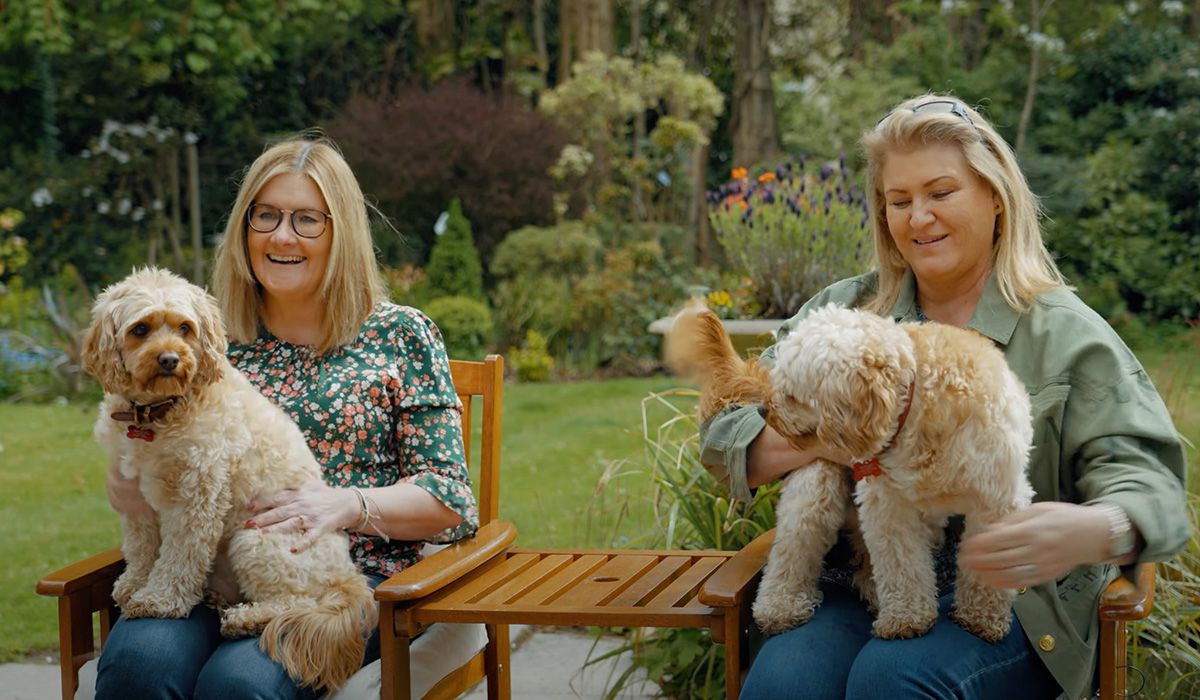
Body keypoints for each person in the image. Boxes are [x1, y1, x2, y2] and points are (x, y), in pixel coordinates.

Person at [699, 95, 1190, 700]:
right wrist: (846, 425)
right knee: (785, 683)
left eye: (941, 193)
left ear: (995, 196)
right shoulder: (846, 312)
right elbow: (726, 437)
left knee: (892, 682)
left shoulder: (1065, 334)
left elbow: (1155, 489)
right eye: (899, 201)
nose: (918, 218)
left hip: (1006, 596)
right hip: (859, 576)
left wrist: (1099, 530)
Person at [97, 137, 479, 700]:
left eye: (306, 219)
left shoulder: (400, 335)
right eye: (267, 215)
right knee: (140, 667)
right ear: (244, 228)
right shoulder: (205, 339)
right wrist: (128, 482)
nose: (281, 236)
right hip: (205, 572)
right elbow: (148, 463)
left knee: (239, 685)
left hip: (341, 580)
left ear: (339, 230)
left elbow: (451, 502)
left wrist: (345, 505)